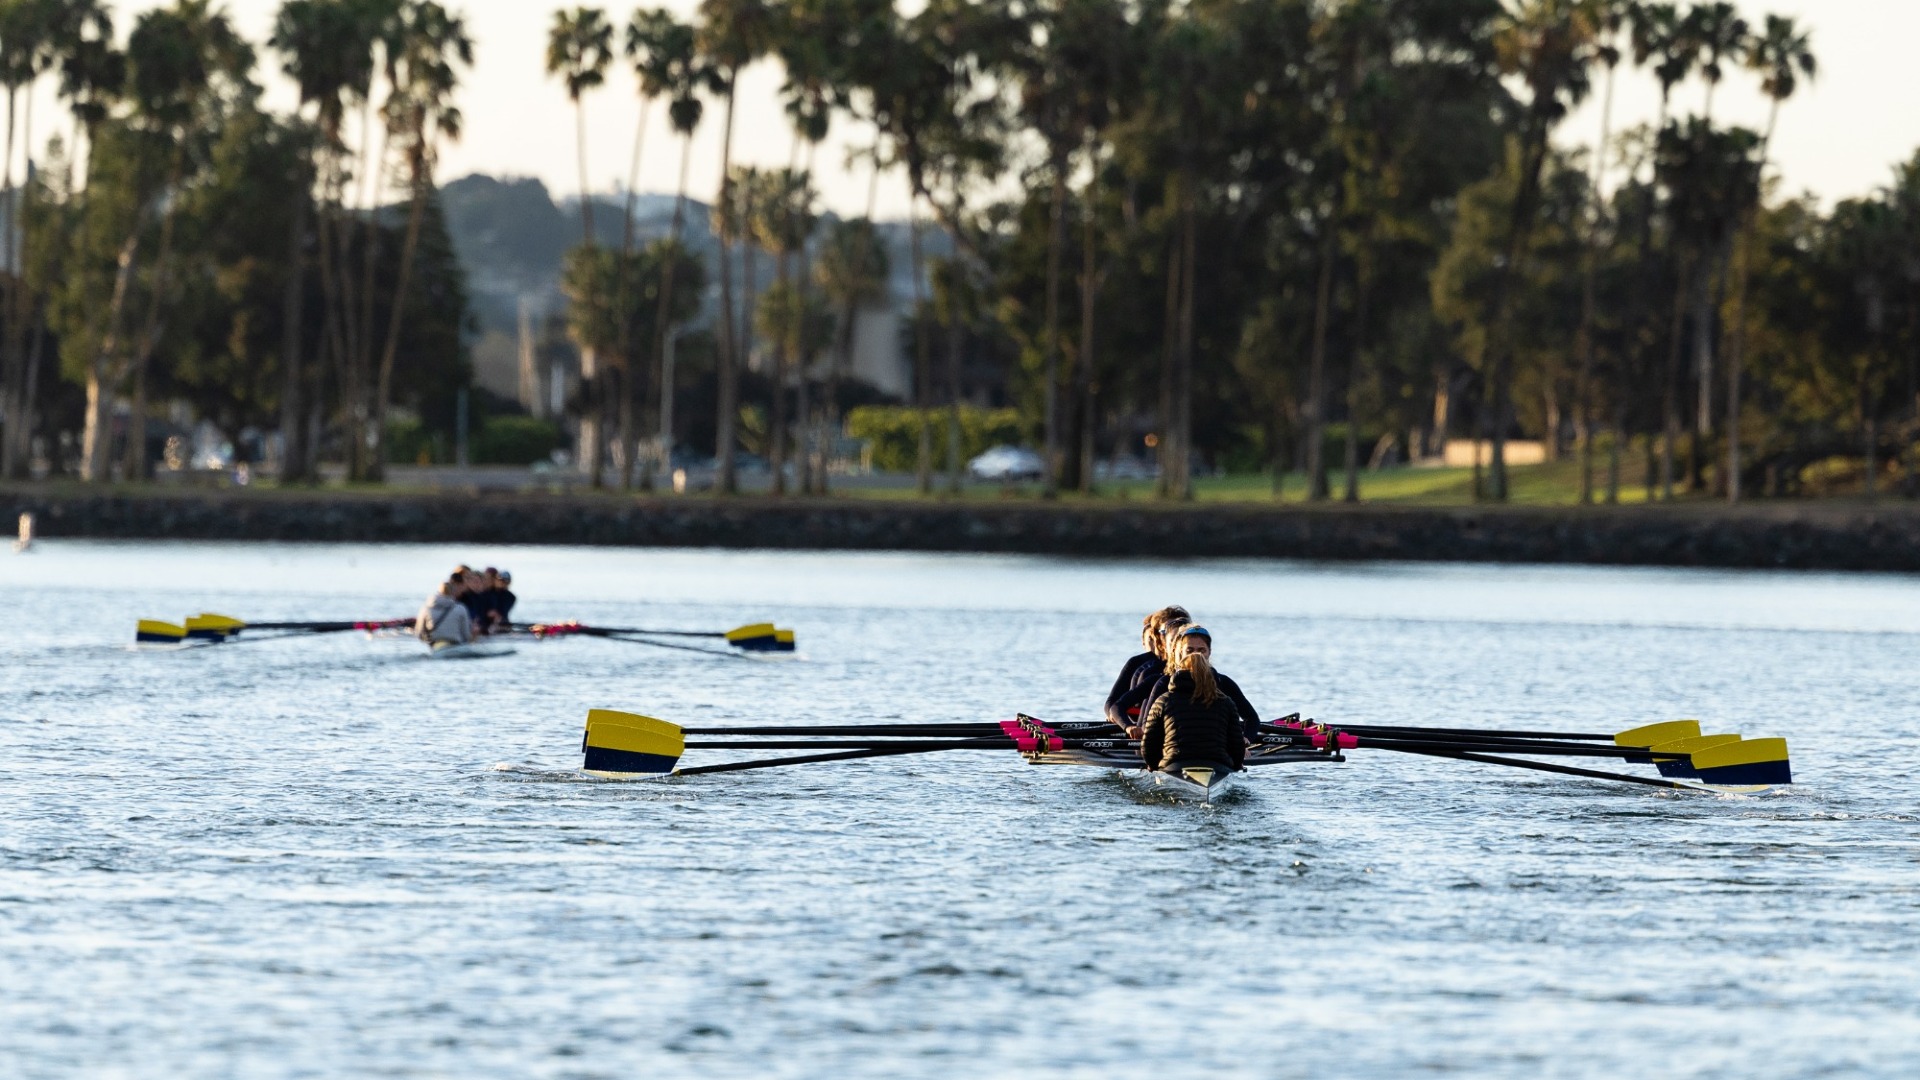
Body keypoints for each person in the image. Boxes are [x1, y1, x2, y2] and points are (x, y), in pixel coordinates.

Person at [1138, 627, 1246, 775]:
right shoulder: (1226, 702)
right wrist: (1236, 765)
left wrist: (1154, 766)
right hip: (1218, 767)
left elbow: (1148, 746)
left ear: (1180, 670)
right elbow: (1237, 748)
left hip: (1174, 766)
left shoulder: (1163, 701)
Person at [1132, 625, 1264, 741]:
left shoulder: (1223, 682)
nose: (1195, 655)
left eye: (1201, 650)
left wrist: (1245, 740)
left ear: (1209, 652)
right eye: (1189, 650)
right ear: (1180, 653)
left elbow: (1252, 718)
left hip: (1214, 750)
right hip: (1174, 748)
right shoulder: (1164, 683)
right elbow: (1147, 724)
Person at [1104, 606, 1190, 734]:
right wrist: (1127, 726)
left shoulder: (1213, 678)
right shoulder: (1151, 675)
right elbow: (1115, 706)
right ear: (1161, 639)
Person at [416, 572, 474, 647]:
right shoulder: (461, 608)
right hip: (455, 646)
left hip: (435, 646)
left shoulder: (425, 609)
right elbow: (466, 635)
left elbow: (419, 633)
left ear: (439, 592)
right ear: (452, 592)